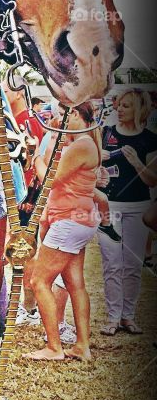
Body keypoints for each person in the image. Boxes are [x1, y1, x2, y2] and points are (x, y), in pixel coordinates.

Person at [24, 102, 105, 361]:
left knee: (39, 281)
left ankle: (54, 347)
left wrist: (35, 155)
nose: (60, 120)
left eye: (63, 115)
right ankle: (82, 346)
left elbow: (50, 180)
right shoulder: (84, 143)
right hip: (77, 220)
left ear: (78, 115)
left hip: (69, 221)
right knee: (75, 284)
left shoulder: (82, 145)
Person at [98, 88, 157, 334]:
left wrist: (135, 161)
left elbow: (152, 180)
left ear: (139, 109)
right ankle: (113, 318)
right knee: (111, 264)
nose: (120, 109)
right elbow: (91, 165)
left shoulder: (149, 139)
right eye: (119, 105)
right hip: (109, 207)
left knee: (132, 265)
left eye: (127, 106)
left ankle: (128, 317)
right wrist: (97, 163)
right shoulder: (106, 133)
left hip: (137, 207)